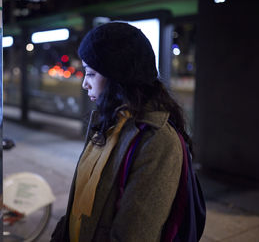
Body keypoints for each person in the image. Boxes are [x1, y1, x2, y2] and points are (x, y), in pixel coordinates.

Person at [51, 22, 203, 242]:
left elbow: (133, 235)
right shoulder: (107, 124)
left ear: (118, 77)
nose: (85, 83)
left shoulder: (157, 141)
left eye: (91, 74)